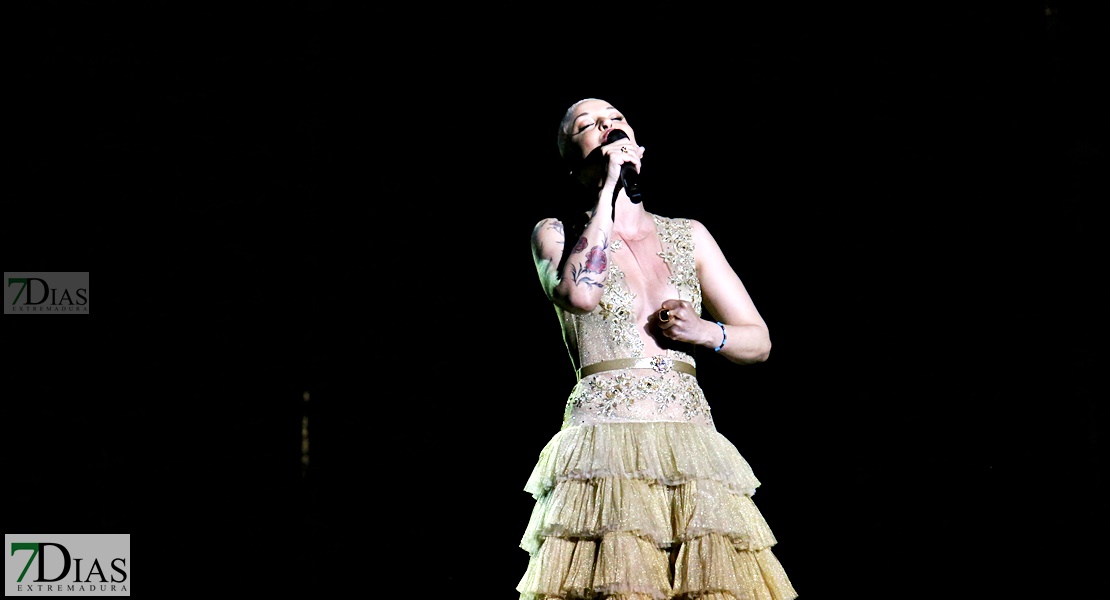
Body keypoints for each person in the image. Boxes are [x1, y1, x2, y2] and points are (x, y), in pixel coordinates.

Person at [517, 98, 798, 600]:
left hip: (690, 443)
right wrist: (607, 191)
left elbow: (759, 342)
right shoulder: (555, 232)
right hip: (606, 444)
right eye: (586, 124)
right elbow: (580, 294)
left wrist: (706, 333)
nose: (606, 125)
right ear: (569, 155)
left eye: (616, 118)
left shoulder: (688, 235)